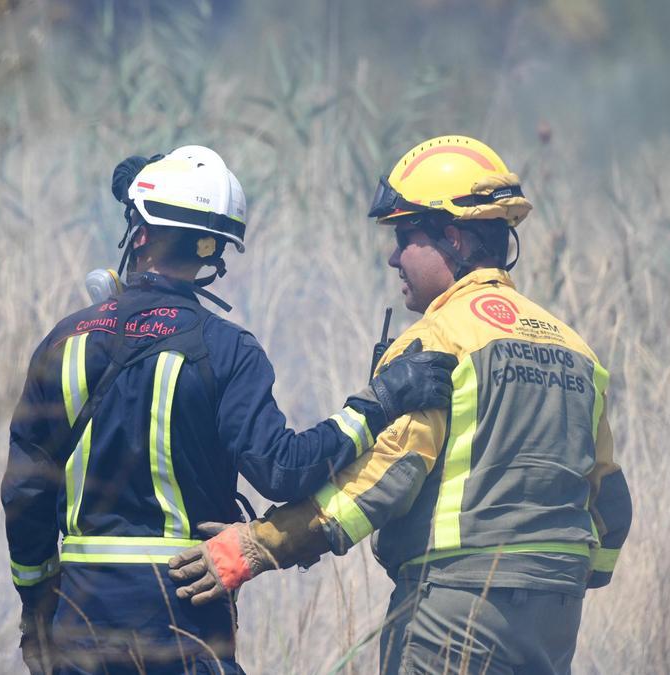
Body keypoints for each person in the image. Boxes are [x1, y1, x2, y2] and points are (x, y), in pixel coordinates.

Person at [169, 136, 633, 675]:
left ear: (453, 237)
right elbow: (610, 502)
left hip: (455, 609)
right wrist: (576, 574)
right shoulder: (575, 348)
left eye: (406, 235)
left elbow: (383, 481)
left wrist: (257, 546)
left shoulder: (440, 339)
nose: (394, 256)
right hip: (557, 615)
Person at [0, 145, 459, 675]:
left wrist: (37, 606)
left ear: (140, 233)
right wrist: (378, 404)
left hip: (80, 623)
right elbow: (283, 470)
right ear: (213, 252)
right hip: (185, 615)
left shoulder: (63, 342)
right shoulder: (227, 349)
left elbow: (24, 493)